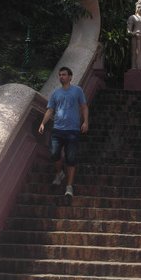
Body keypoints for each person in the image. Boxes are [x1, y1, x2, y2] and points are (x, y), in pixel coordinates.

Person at [38, 66, 88, 204]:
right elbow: (50, 110)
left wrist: (85, 122)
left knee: (71, 158)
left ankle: (69, 186)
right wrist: (43, 123)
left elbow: (84, 106)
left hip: (72, 130)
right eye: (60, 75)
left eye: (64, 74)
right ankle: (59, 173)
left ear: (70, 77)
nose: (61, 77)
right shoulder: (55, 93)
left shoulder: (77, 91)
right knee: (54, 154)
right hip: (58, 129)